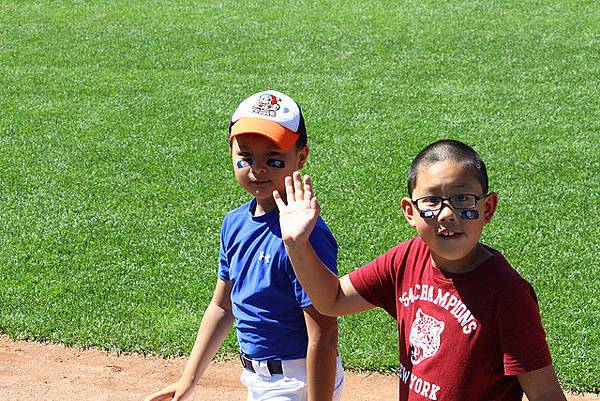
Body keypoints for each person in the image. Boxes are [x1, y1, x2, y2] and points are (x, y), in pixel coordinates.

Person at [274, 140, 566, 401]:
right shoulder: (406, 258)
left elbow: (544, 392)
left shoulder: (507, 293)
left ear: (487, 208)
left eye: (463, 199)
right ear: (410, 212)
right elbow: (332, 300)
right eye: (431, 201)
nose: (447, 214)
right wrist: (297, 246)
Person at [145, 90, 344, 401]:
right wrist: (188, 378)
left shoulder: (307, 235)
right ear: (231, 152)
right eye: (246, 157)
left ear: (301, 157)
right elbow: (222, 306)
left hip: (299, 380)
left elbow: (323, 334)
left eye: (273, 158)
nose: (258, 168)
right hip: (258, 380)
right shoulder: (234, 223)